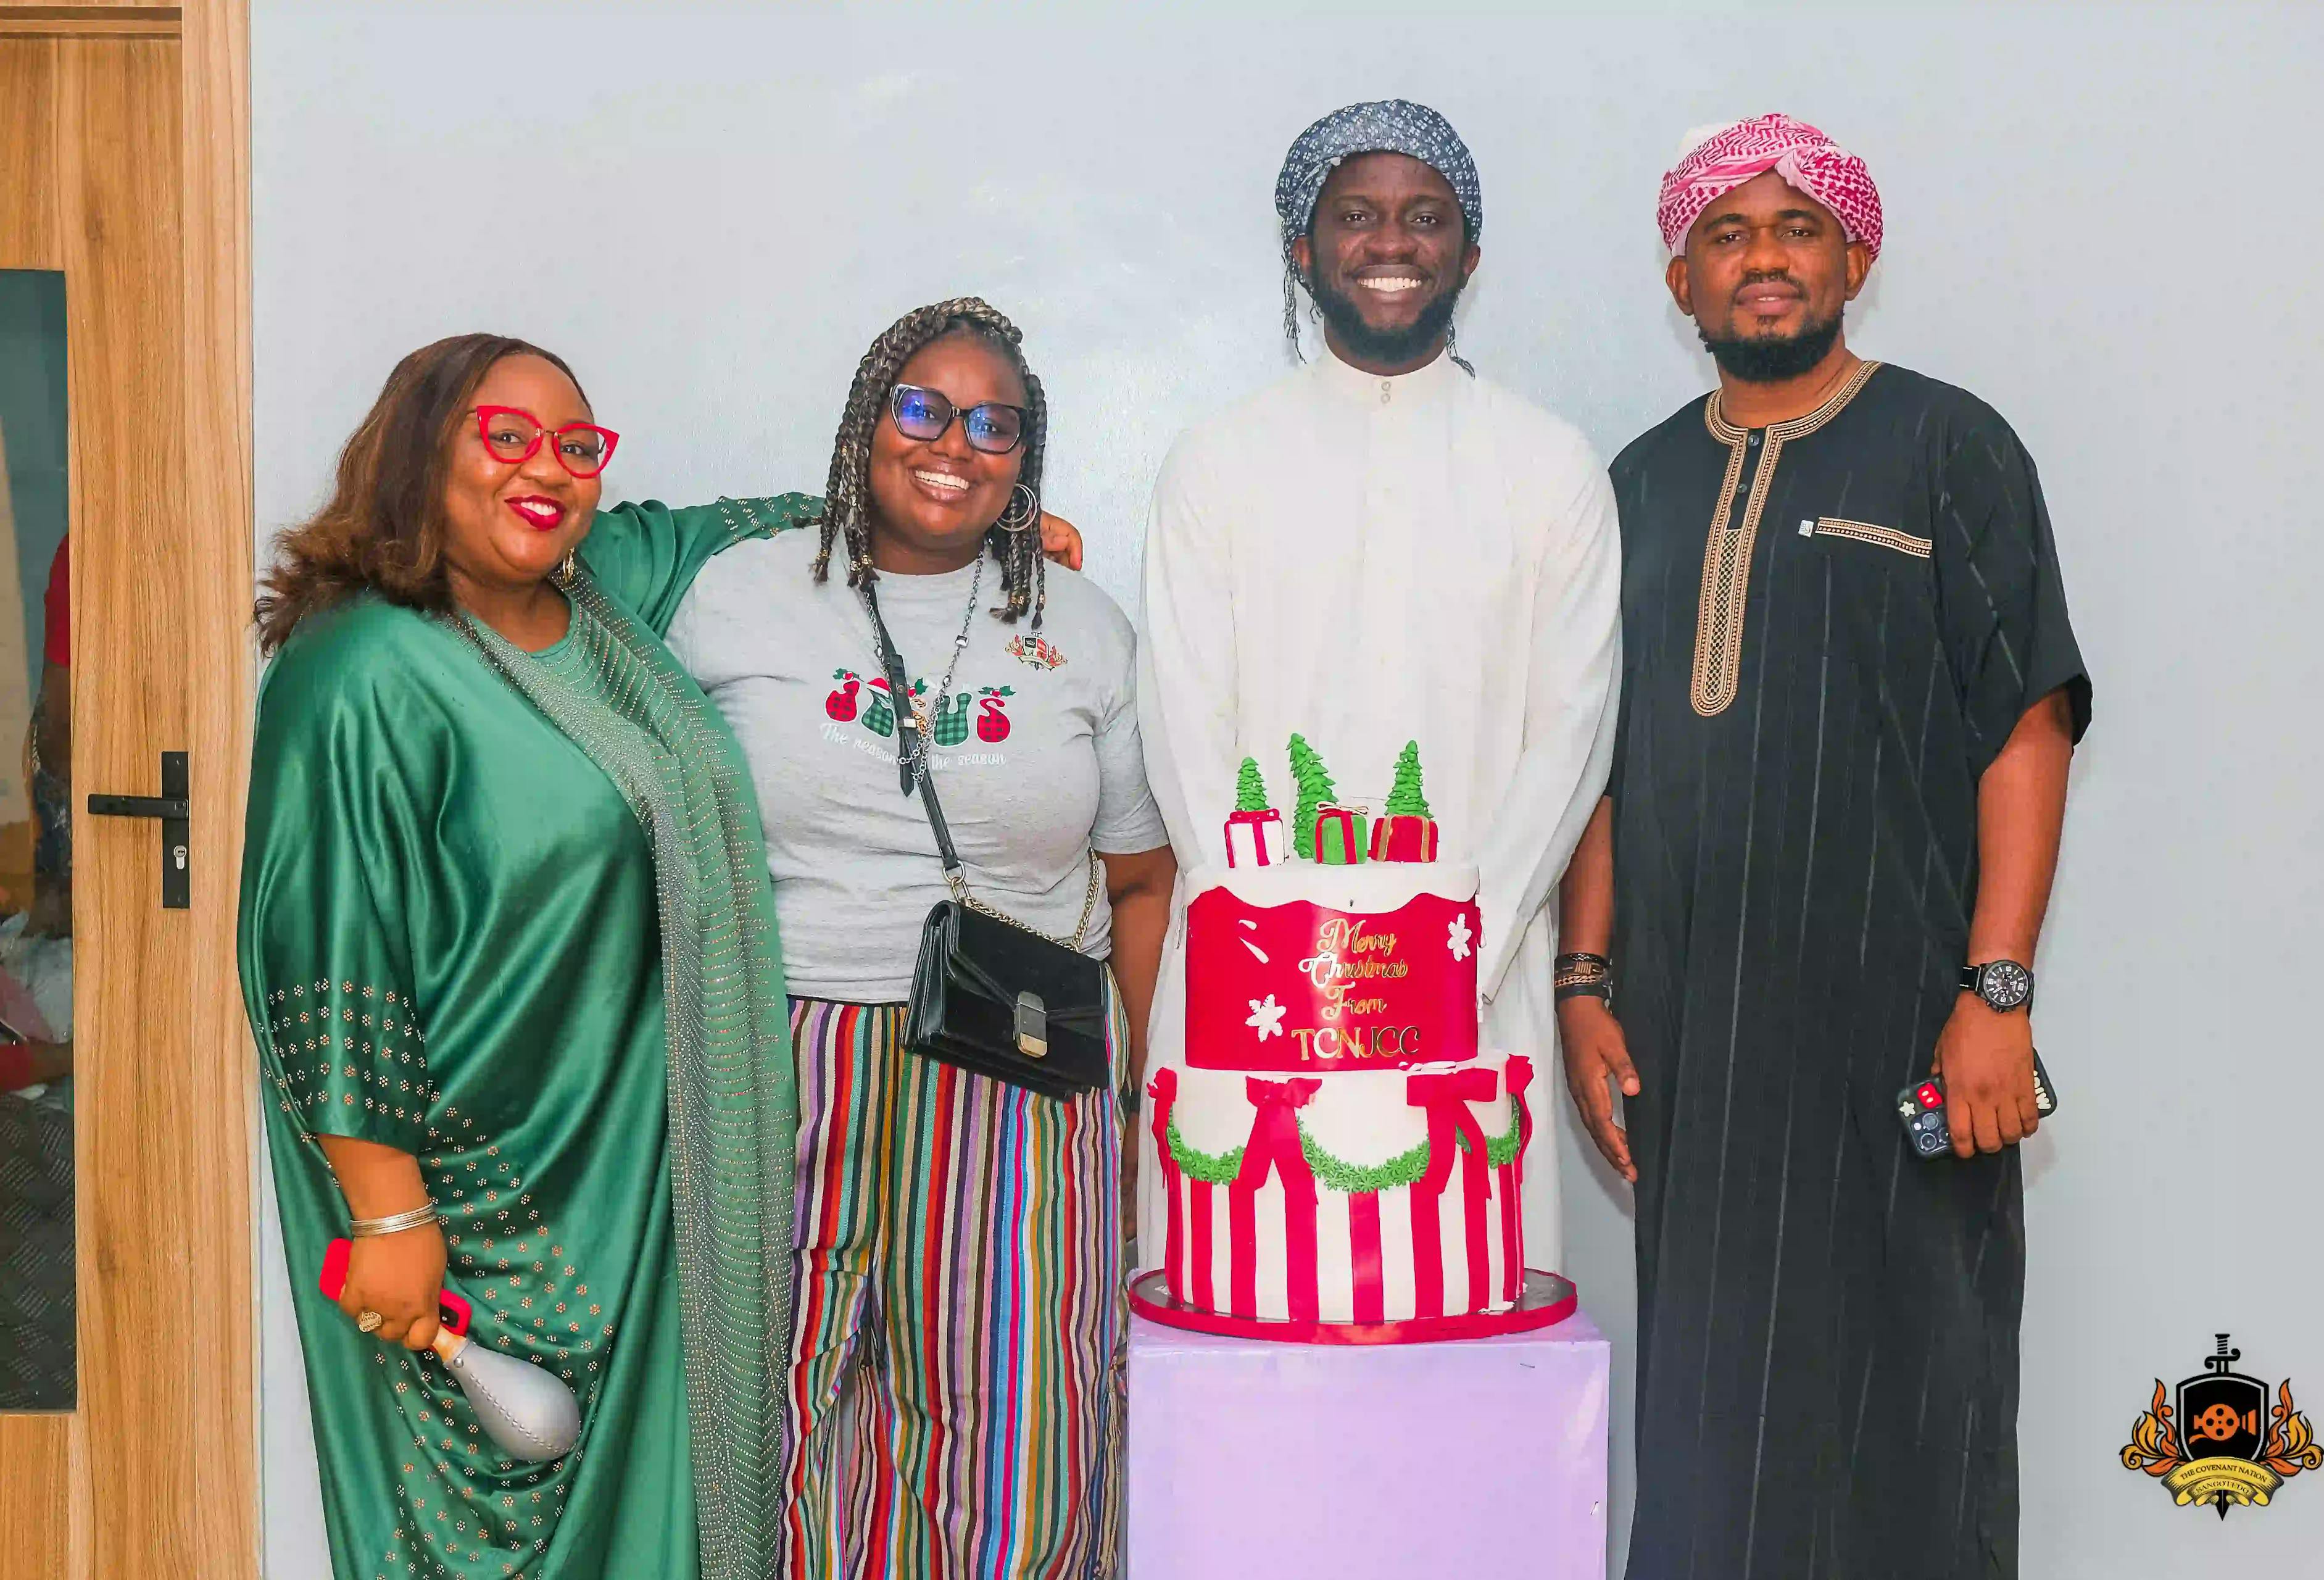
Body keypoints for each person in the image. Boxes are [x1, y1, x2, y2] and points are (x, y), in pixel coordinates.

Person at [241, 331, 1083, 1580]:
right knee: (492, 1525)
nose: (546, 469)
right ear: (420, 452)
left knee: (661, 1519)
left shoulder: (600, 591)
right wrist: (389, 1207)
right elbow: (324, 960)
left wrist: (966, 507)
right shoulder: (358, 667)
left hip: (642, 1164)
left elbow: (753, 519)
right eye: (506, 437)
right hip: (482, 1188)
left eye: (575, 446)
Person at [1556, 115, 2090, 1578]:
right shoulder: (1636, 486)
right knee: (1712, 1417)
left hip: (1905, 1027)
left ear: (1856, 258)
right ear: (1682, 280)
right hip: (1695, 1045)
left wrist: (1995, 991)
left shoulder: (1951, 446)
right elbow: (1599, 763)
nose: (1766, 259)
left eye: (1799, 228)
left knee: (1917, 1392)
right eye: (1728, 235)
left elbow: (2027, 722)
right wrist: (1585, 981)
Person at [665, 297, 1172, 1578]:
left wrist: (1140, 1100)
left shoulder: (1084, 625)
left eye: (996, 424)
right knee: (779, 1421)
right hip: (786, 1058)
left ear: (1026, 455)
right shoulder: (738, 595)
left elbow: (1140, 880)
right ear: (866, 419)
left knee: (1020, 1433)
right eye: (923, 409)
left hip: (1024, 1069)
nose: (956, 444)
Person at [1137, 101, 1621, 1269]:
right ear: (1302, 250)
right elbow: (1185, 725)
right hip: (1253, 990)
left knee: (1462, 1320)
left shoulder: (1549, 466)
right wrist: (1282, 950)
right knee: (1251, 1316)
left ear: (1470, 253)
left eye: (1425, 217)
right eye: (1356, 215)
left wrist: (1458, 956)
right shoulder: (1216, 461)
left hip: (1473, 984)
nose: (1391, 242)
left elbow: (1570, 739)